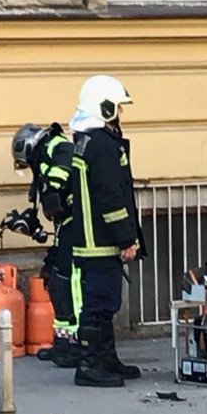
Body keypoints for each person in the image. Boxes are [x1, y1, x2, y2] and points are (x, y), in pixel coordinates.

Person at [69, 75, 146, 388]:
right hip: (99, 242)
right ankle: (89, 364)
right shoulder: (101, 144)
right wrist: (126, 238)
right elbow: (111, 197)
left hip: (92, 240)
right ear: (103, 108)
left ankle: (106, 358)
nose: (120, 114)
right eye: (117, 108)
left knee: (106, 302)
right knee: (99, 306)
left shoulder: (88, 141)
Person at [11, 122, 82, 368]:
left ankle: (77, 344)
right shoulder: (45, 155)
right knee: (55, 279)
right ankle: (63, 343)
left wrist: (52, 189)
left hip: (77, 225)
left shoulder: (57, 145)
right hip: (66, 224)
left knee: (68, 282)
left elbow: (63, 169)